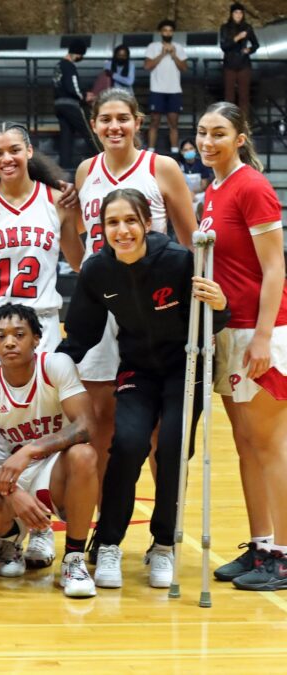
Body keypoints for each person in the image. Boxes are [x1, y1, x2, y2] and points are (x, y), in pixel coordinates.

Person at [58, 188, 229, 589]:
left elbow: (214, 321)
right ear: (101, 230)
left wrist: (220, 305)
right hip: (138, 369)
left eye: (130, 221)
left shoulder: (178, 261)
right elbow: (80, 333)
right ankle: (110, 542)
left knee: (171, 447)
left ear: (146, 223)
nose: (123, 230)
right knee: (129, 443)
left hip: (186, 368)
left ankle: (163, 545)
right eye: (112, 223)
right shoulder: (99, 270)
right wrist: (52, 364)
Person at [73, 88, 197, 481]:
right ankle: (104, 532)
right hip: (105, 307)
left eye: (122, 119)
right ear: (94, 125)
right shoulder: (85, 171)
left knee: (163, 431)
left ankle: (166, 531)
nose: (114, 127)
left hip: (154, 309)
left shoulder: (162, 167)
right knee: (101, 425)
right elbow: (77, 234)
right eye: (105, 120)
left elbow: (191, 242)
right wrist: (88, 280)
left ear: (137, 122)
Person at [196, 102, 287, 591]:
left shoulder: (252, 186)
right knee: (245, 444)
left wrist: (265, 338)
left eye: (219, 133)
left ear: (240, 137)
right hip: (228, 330)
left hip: (261, 331)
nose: (208, 141)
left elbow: (275, 268)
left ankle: (286, 555)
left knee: (272, 445)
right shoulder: (213, 189)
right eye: (202, 133)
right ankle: (262, 546)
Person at [0, 303, 99, 598]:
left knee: (84, 455)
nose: (10, 342)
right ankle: (11, 537)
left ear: (36, 339)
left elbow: (86, 426)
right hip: (4, 473)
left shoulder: (56, 366)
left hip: (49, 469)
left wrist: (30, 450)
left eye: (19, 334)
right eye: (0, 336)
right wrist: (11, 492)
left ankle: (73, 560)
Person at [0, 122, 82, 377]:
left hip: (41, 321)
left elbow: (80, 264)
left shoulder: (56, 201)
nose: (7, 159)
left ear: (29, 151)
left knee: (46, 413)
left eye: (14, 150)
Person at [53, 39, 98, 172]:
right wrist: (84, 96)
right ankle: (103, 158)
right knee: (89, 130)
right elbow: (73, 86)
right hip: (70, 104)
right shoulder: (69, 66)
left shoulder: (58, 66)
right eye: (81, 55)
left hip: (58, 104)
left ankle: (64, 168)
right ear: (78, 53)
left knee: (66, 136)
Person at [145, 19, 188, 155]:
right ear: (161, 32)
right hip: (157, 90)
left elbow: (184, 68)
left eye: (170, 30)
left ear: (173, 32)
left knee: (174, 123)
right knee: (154, 122)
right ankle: (151, 150)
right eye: (165, 30)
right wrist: (162, 54)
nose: (167, 33)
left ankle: (175, 152)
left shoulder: (179, 47)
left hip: (174, 90)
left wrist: (174, 55)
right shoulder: (153, 46)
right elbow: (147, 66)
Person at [220, 3, 259, 120]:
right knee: (229, 97)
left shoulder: (247, 27)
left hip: (244, 64)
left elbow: (256, 44)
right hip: (229, 64)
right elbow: (224, 46)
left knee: (244, 97)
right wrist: (237, 38)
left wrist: (249, 49)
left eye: (240, 13)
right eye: (236, 12)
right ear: (231, 14)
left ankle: (243, 124)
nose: (238, 15)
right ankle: (229, 123)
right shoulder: (225, 28)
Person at [178, 138, 213, 213]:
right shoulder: (179, 166)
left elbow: (204, 185)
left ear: (195, 150)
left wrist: (193, 193)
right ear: (181, 152)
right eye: (185, 150)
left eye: (191, 148)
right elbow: (178, 185)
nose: (188, 151)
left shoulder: (202, 164)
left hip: (200, 195)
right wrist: (188, 193)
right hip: (184, 195)